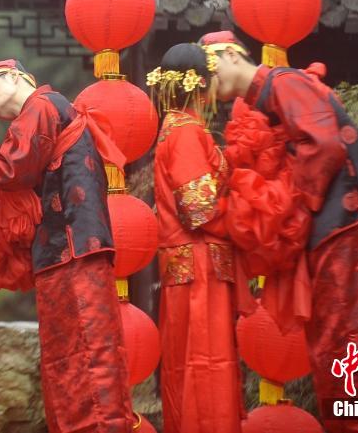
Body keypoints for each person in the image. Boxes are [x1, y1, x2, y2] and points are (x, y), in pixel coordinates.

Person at [200, 31, 358, 433]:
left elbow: (323, 145)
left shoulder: (286, 83)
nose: (207, 83)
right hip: (329, 229)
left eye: (209, 69)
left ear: (232, 55)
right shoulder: (263, 99)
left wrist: (288, 205)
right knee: (338, 335)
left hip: (346, 227)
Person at [0, 59, 135, 433]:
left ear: (15, 77)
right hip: (66, 251)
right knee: (68, 359)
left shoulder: (41, 106)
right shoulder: (41, 113)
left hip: (74, 249)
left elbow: (15, 169)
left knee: (87, 357)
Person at [147, 43, 247, 433]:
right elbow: (200, 208)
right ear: (201, 84)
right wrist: (245, 217)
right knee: (206, 364)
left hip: (190, 265)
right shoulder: (188, 132)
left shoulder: (174, 127)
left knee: (188, 363)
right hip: (201, 267)